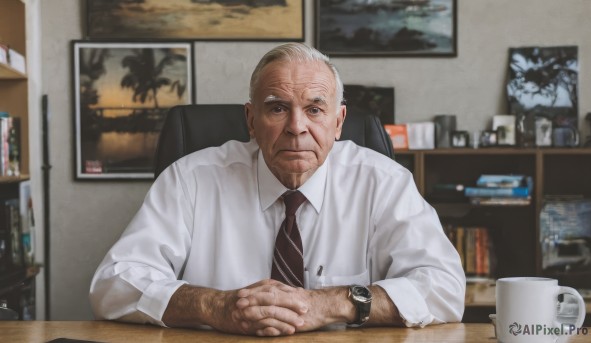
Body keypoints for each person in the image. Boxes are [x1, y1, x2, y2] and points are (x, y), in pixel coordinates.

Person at [89, 43, 465, 337]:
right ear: (251, 120)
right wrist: (214, 307)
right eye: (277, 108)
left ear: (339, 122)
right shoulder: (191, 178)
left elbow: (445, 288)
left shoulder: (383, 182)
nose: (296, 126)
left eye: (315, 109)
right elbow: (113, 283)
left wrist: (333, 303)